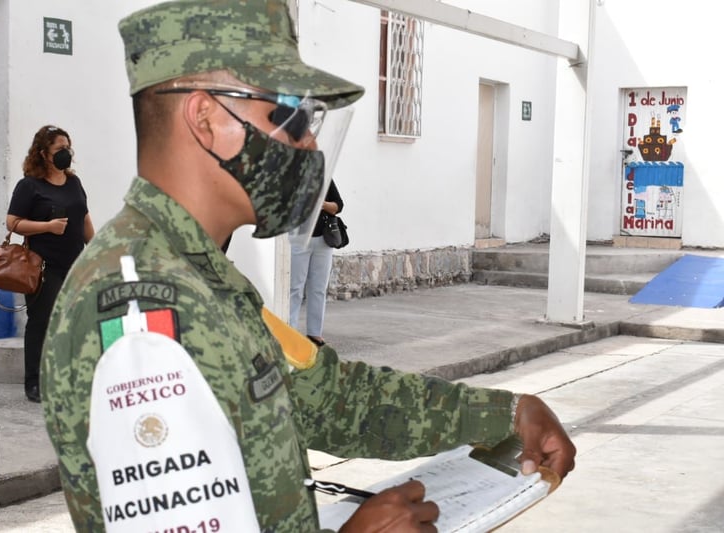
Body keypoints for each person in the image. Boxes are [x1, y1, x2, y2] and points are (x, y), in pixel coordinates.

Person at [41, 1, 576, 531]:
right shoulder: (142, 305)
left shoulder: (203, 279)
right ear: (206, 118)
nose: (308, 143)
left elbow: (330, 399)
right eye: (290, 115)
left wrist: (504, 414)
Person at [7, 125, 94, 403]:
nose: (66, 153)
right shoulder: (29, 186)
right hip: (44, 267)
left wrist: (99, 250)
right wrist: (47, 226)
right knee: (41, 322)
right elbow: (13, 223)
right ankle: (34, 381)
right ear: (44, 154)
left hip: (75, 265)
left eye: (68, 148)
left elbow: (85, 220)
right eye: (59, 149)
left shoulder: (74, 183)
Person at [290, 180, 343, 346]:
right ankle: (289, 331)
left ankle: (314, 333)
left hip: (323, 240)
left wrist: (322, 204)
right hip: (298, 238)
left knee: (318, 288)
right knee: (294, 288)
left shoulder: (325, 177)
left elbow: (338, 205)